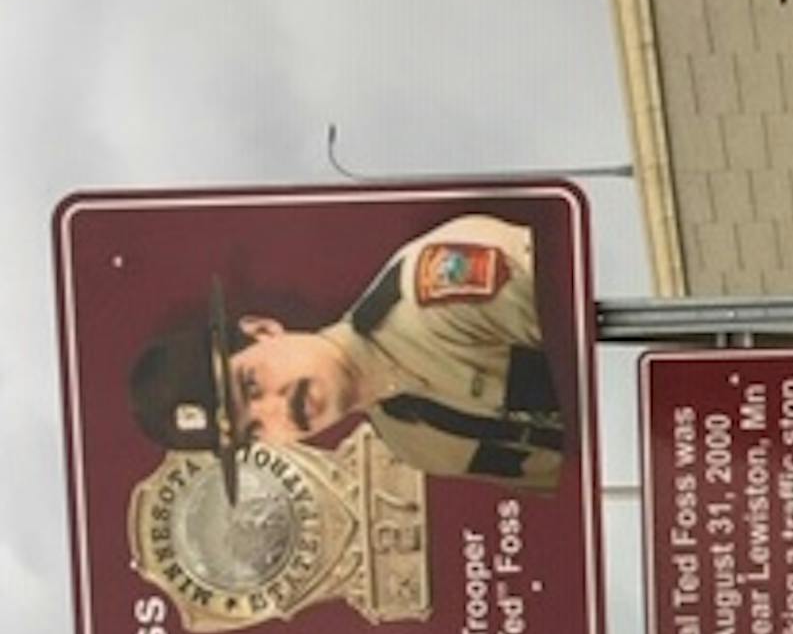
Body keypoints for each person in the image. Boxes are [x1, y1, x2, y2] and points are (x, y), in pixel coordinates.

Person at [128, 214, 564, 499]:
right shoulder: (416, 446)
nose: (278, 410)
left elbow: (600, 312)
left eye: (251, 385)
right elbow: (577, 479)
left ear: (263, 331)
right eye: (255, 429)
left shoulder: (430, 295)